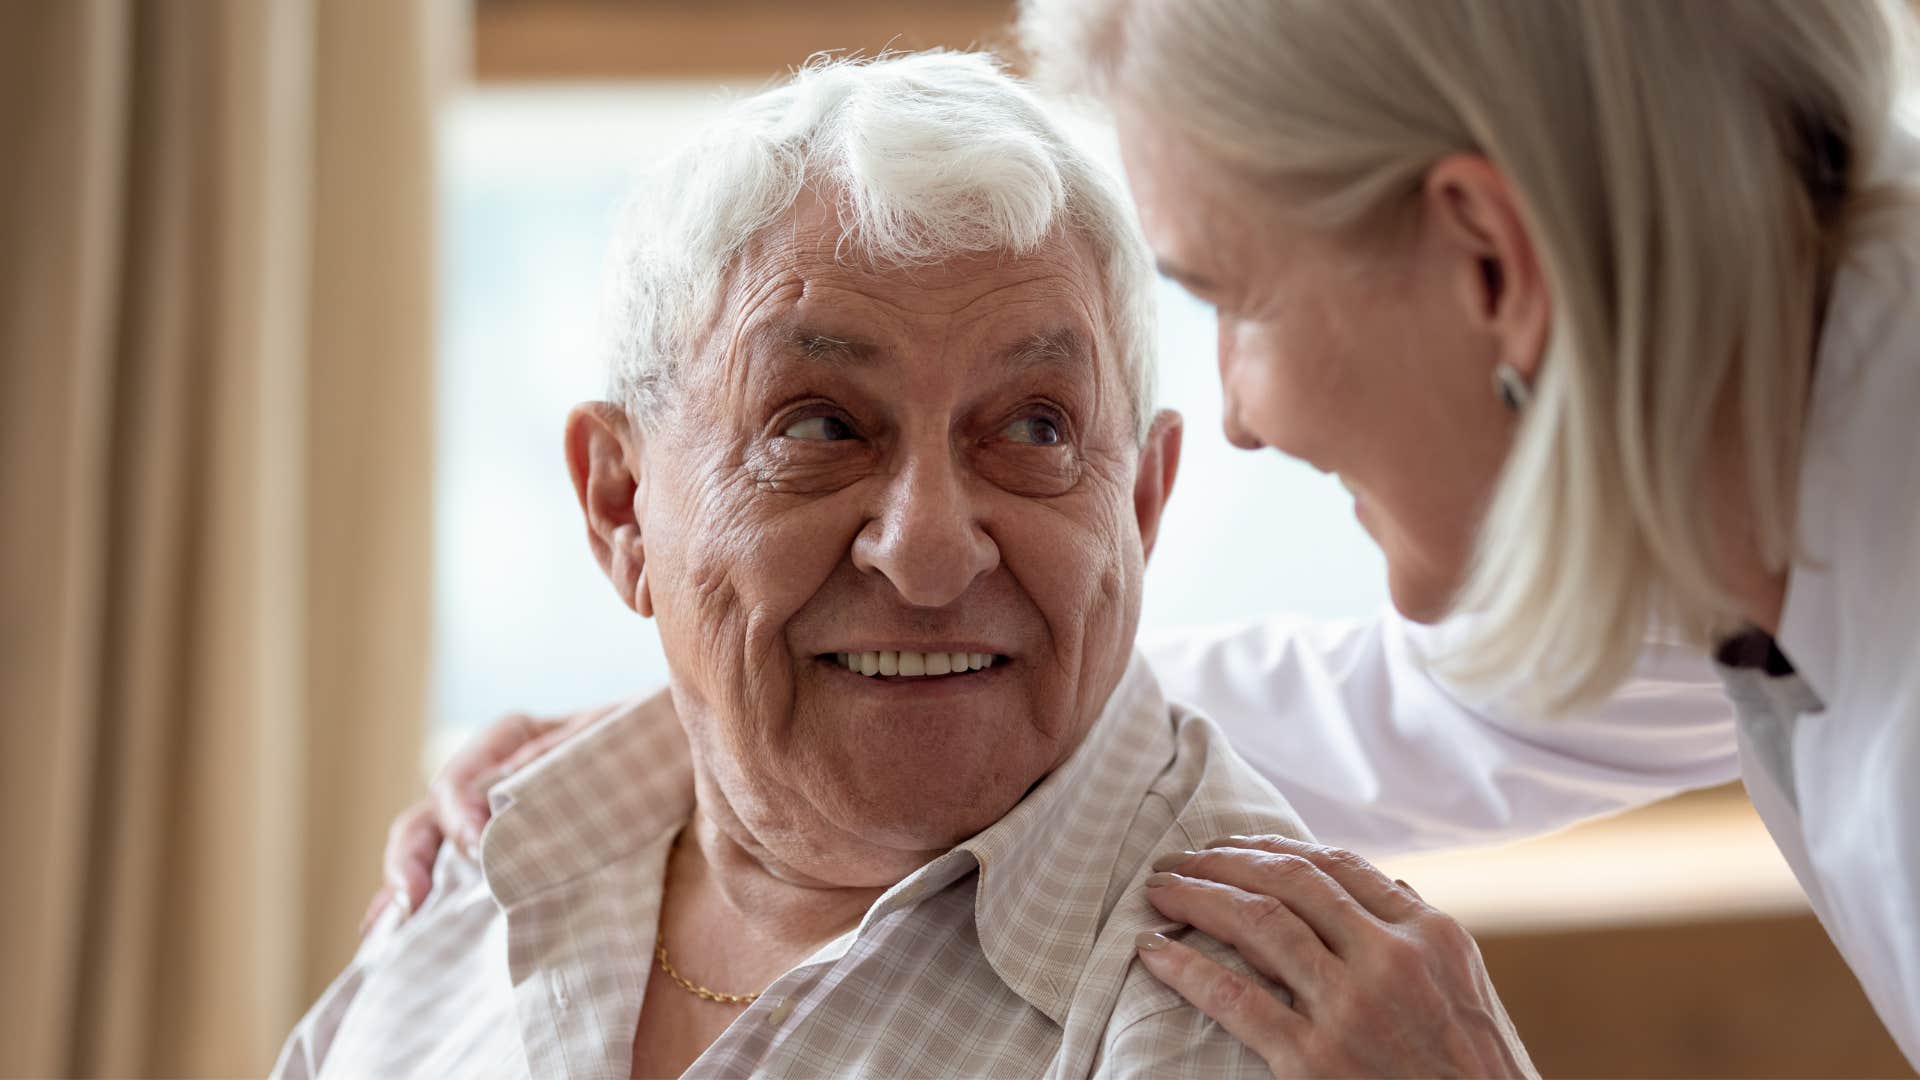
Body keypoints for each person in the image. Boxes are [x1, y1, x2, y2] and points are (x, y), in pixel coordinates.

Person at [380, 1, 1920, 1073]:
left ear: (1491, 265)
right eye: (822, 430)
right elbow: (1427, 710)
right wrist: (733, 709)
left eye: (1234, 301)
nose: (1243, 415)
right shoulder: (1768, 517)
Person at [278, 51, 1519, 1079]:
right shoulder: (483, 873)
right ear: (619, 506)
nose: (928, 551)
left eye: (1034, 428)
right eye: (819, 426)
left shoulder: (1239, 1026)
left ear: (1141, 502)